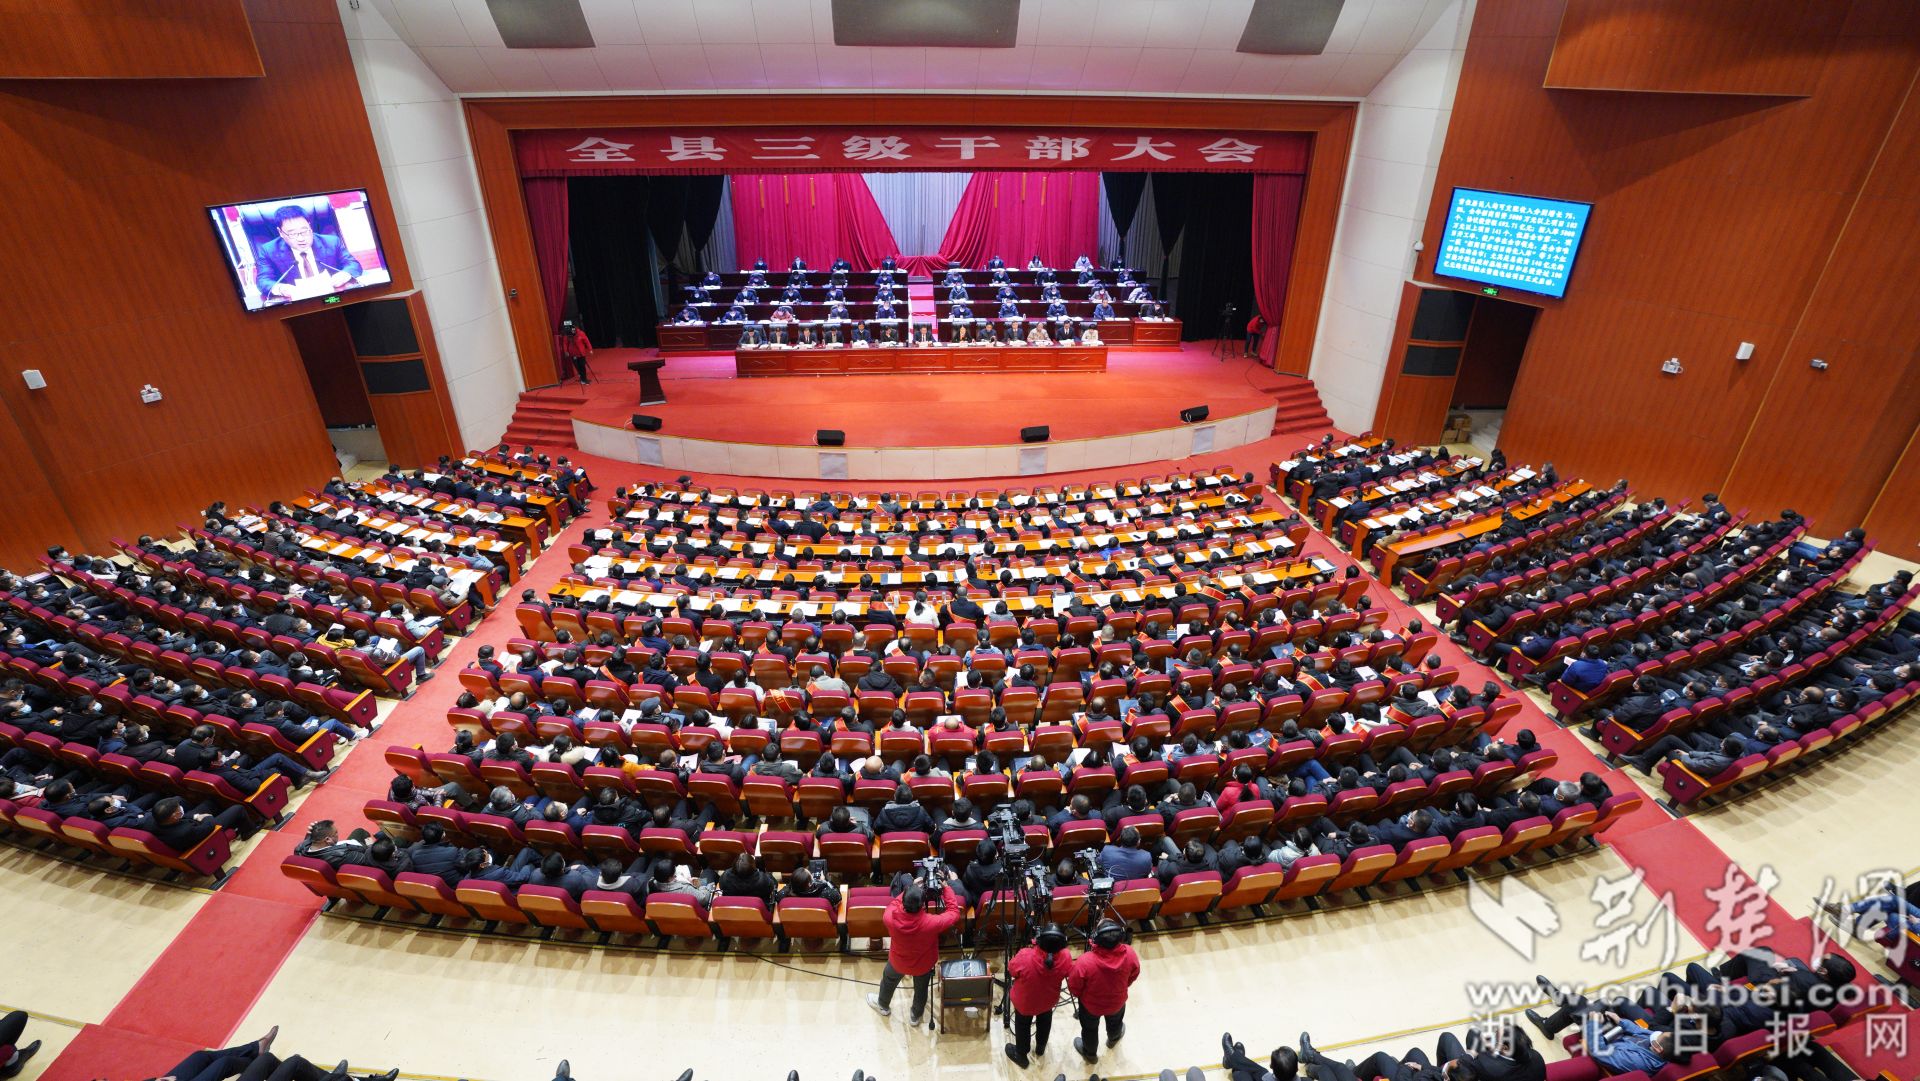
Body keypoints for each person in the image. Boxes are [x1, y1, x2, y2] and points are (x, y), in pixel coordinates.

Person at [867, 877, 963, 1026]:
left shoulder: (889, 918)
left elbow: (894, 903)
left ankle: (883, 1005)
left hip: (898, 962)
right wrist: (946, 888)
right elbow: (954, 912)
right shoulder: (931, 922)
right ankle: (915, 1016)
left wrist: (910, 888)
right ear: (922, 905)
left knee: (888, 980)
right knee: (921, 990)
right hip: (923, 965)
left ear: (904, 902)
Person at [1069, 919, 1140, 1062]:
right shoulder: (1130, 954)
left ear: (1096, 938)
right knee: (1116, 1023)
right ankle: (1113, 1039)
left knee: (1089, 1030)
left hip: (1090, 1007)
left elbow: (1074, 987)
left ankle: (1090, 1054)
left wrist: (1083, 996)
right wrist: (1122, 987)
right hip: (1117, 1002)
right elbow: (1134, 974)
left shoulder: (1085, 961)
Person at [254, 206, 360, 301]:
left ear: (310, 226)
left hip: (333, 299)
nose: (301, 239)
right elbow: (263, 280)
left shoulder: (331, 242)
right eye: (292, 234)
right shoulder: (268, 250)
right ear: (281, 232)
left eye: (304, 231)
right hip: (298, 305)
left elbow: (353, 264)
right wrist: (281, 289)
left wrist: (344, 274)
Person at [1004, 925, 1072, 1067]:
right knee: (1045, 1021)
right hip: (1048, 1001)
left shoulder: (1025, 955)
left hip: (1025, 1003)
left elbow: (1011, 970)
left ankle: (1021, 1055)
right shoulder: (1066, 956)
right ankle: (1040, 1048)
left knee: (1023, 1025)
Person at [559, 320, 593, 385]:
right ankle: (583, 379)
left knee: (582, 366)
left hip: (581, 353)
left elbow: (586, 341)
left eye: (573, 329)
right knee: (578, 367)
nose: (572, 331)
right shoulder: (567, 335)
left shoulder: (581, 333)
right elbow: (565, 343)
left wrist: (590, 349)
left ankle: (584, 379)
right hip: (573, 353)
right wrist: (566, 351)